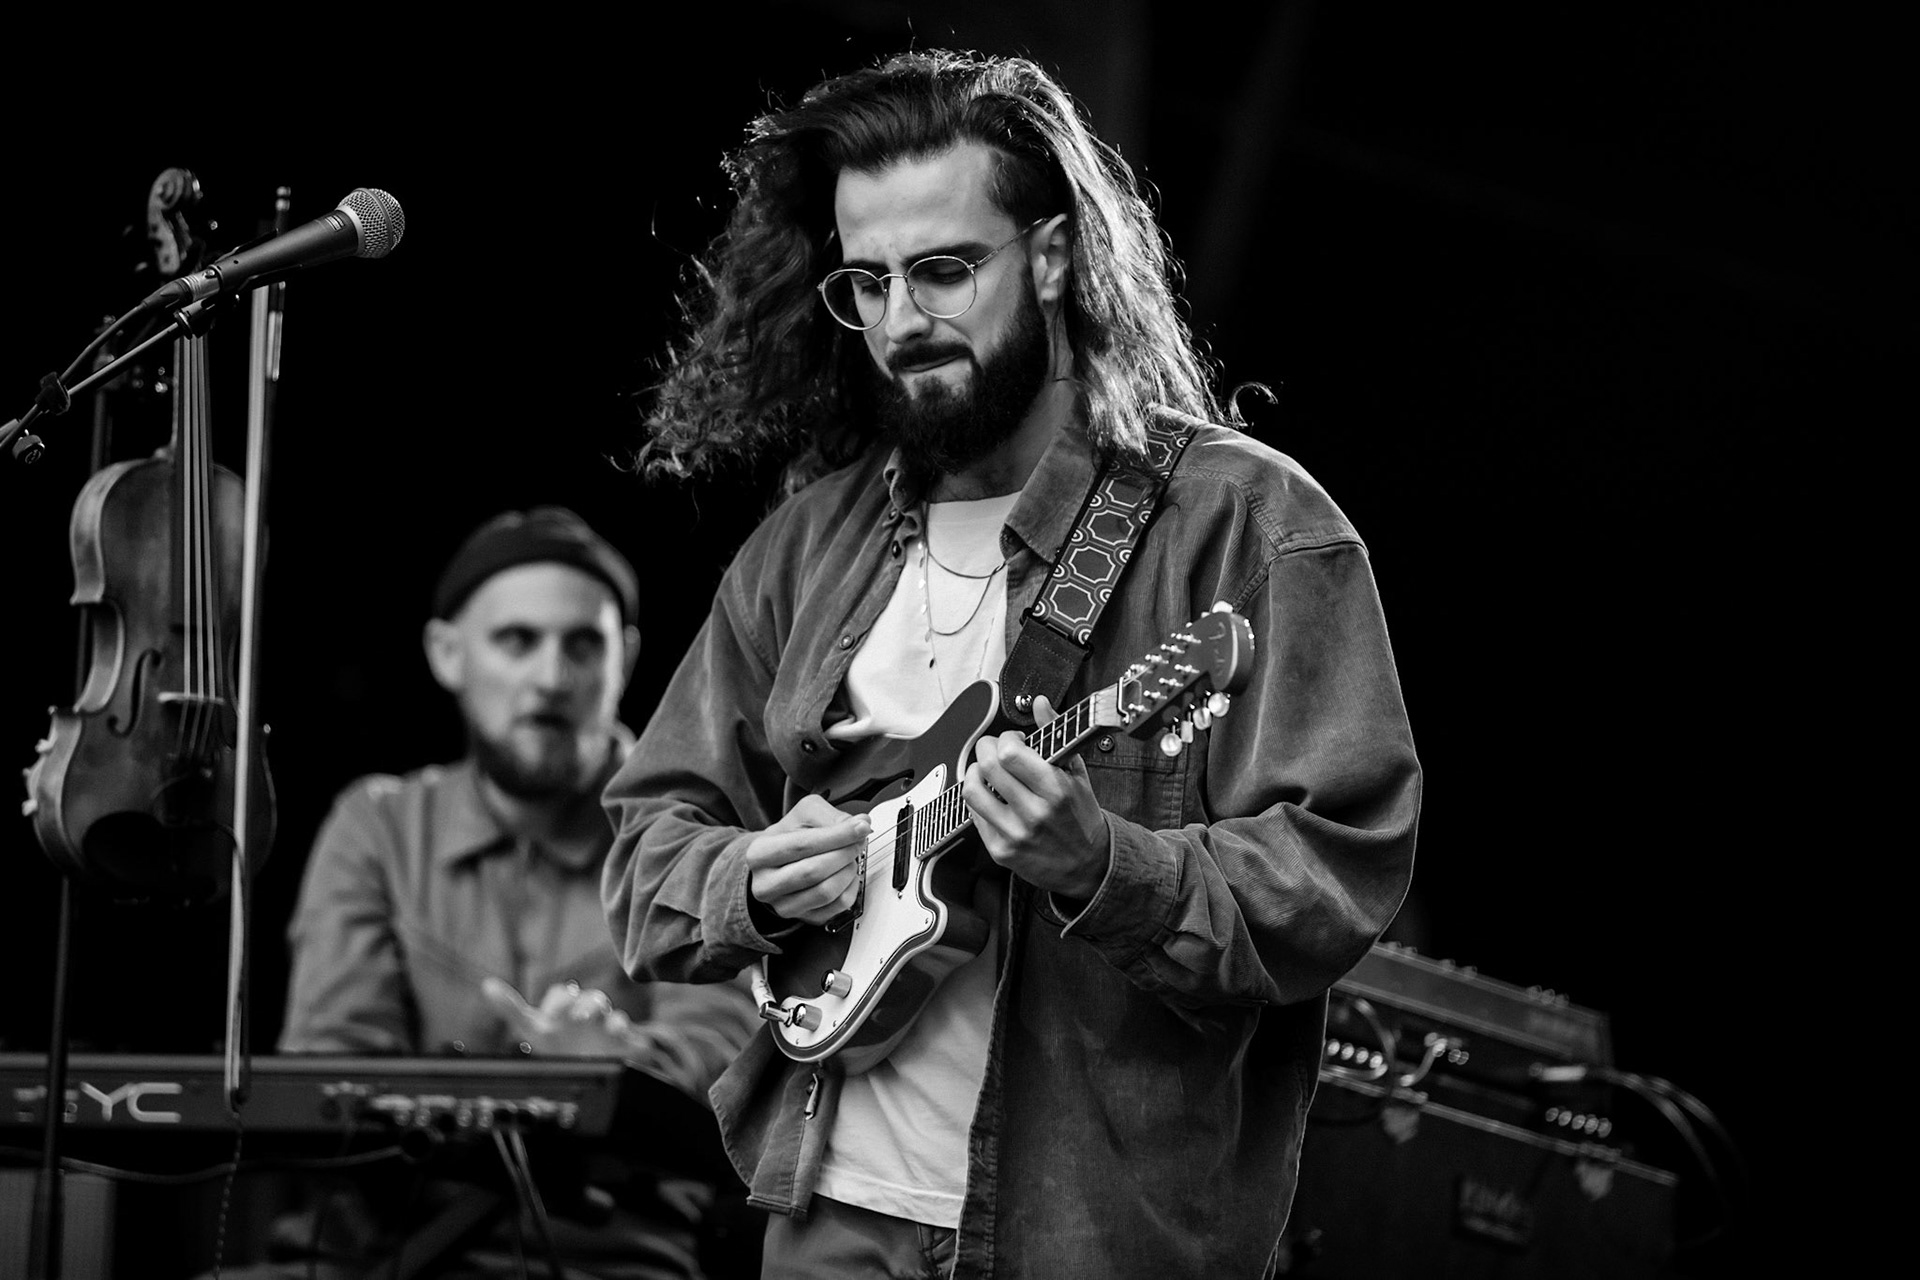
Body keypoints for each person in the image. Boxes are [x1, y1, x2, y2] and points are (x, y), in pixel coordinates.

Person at [601, 50, 1422, 1280]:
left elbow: (1333, 875)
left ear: (1048, 257)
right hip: (825, 1211)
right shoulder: (805, 546)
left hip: (1095, 1232)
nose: (899, 321)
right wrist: (751, 880)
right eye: (864, 283)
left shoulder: (1245, 525)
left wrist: (1107, 865)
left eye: (942, 269)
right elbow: (648, 835)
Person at [271, 505, 761, 1279]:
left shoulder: (695, 834)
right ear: (446, 654)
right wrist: (555, 1083)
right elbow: (328, 1070)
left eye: (582, 644)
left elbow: (726, 1070)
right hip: (377, 1255)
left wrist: (619, 1068)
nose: (551, 678)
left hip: (612, 1261)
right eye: (516, 641)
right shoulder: (376, 825)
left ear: (625, 658)